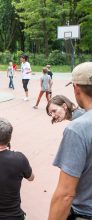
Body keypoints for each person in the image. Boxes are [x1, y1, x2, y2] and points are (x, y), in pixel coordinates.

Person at [48, 62, 92, 220]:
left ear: (76, 88)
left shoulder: (77, 128)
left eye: (54, 110)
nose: (53, 115)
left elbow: (66, 194)